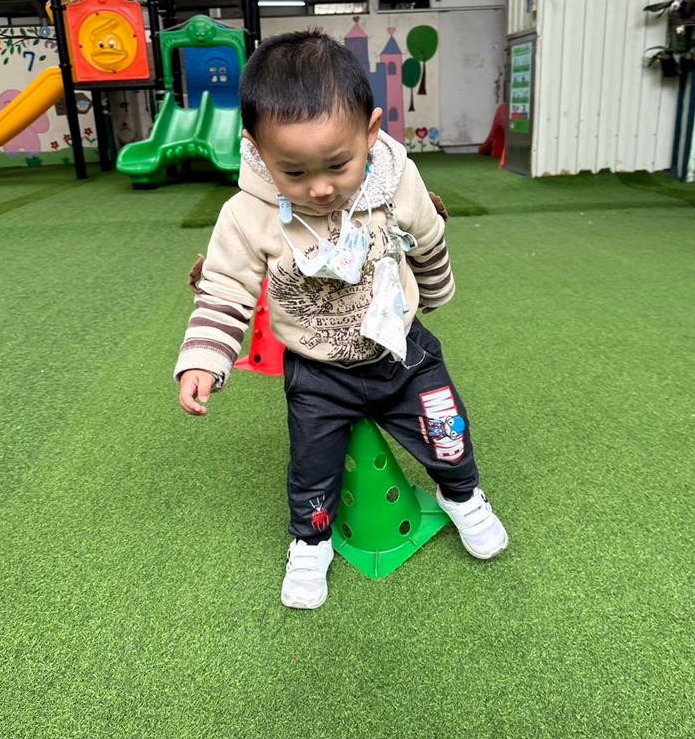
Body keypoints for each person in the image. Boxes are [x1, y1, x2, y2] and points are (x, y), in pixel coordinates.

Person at [176, 30, 508, 609]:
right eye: (295, 173)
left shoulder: (397, 181)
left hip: (402, 352)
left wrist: (435, 293)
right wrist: (204, 359)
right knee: (312, 469)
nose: (321, 188)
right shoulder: (247, 214)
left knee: (447, 431)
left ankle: (461, 496)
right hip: (318, 372)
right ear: (256, 149)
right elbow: (225, 287)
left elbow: (427, 238)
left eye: (338, 164)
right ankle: (312, 541)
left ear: (370, 132)